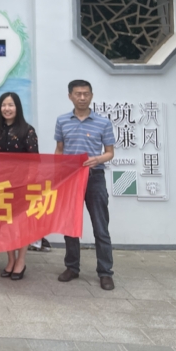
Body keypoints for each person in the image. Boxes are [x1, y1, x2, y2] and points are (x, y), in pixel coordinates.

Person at [55, 80, 116, 291]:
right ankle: (72, 267)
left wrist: (98, 159)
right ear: (70, 96)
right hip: (70, 179)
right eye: (78, 94)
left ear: (91, 95)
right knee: (70, 225)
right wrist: (58, 172)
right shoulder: (62, 121)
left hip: (94, 177)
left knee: (100, 226)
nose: (82, 97)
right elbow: (59, 149)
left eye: (86, 94)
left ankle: (105, 272)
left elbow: (110, 152)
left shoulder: (103, 122)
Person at [0, 92, 39, 281]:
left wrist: (29, 183)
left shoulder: (27, 130)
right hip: (1, 184)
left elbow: (35, 161)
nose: (7, 109)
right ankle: (10, 259)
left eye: (11, 105)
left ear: (17, 107)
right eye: (4, 105)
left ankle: (21, 260)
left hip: (22, 184)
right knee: (5, 224)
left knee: (21, 224)